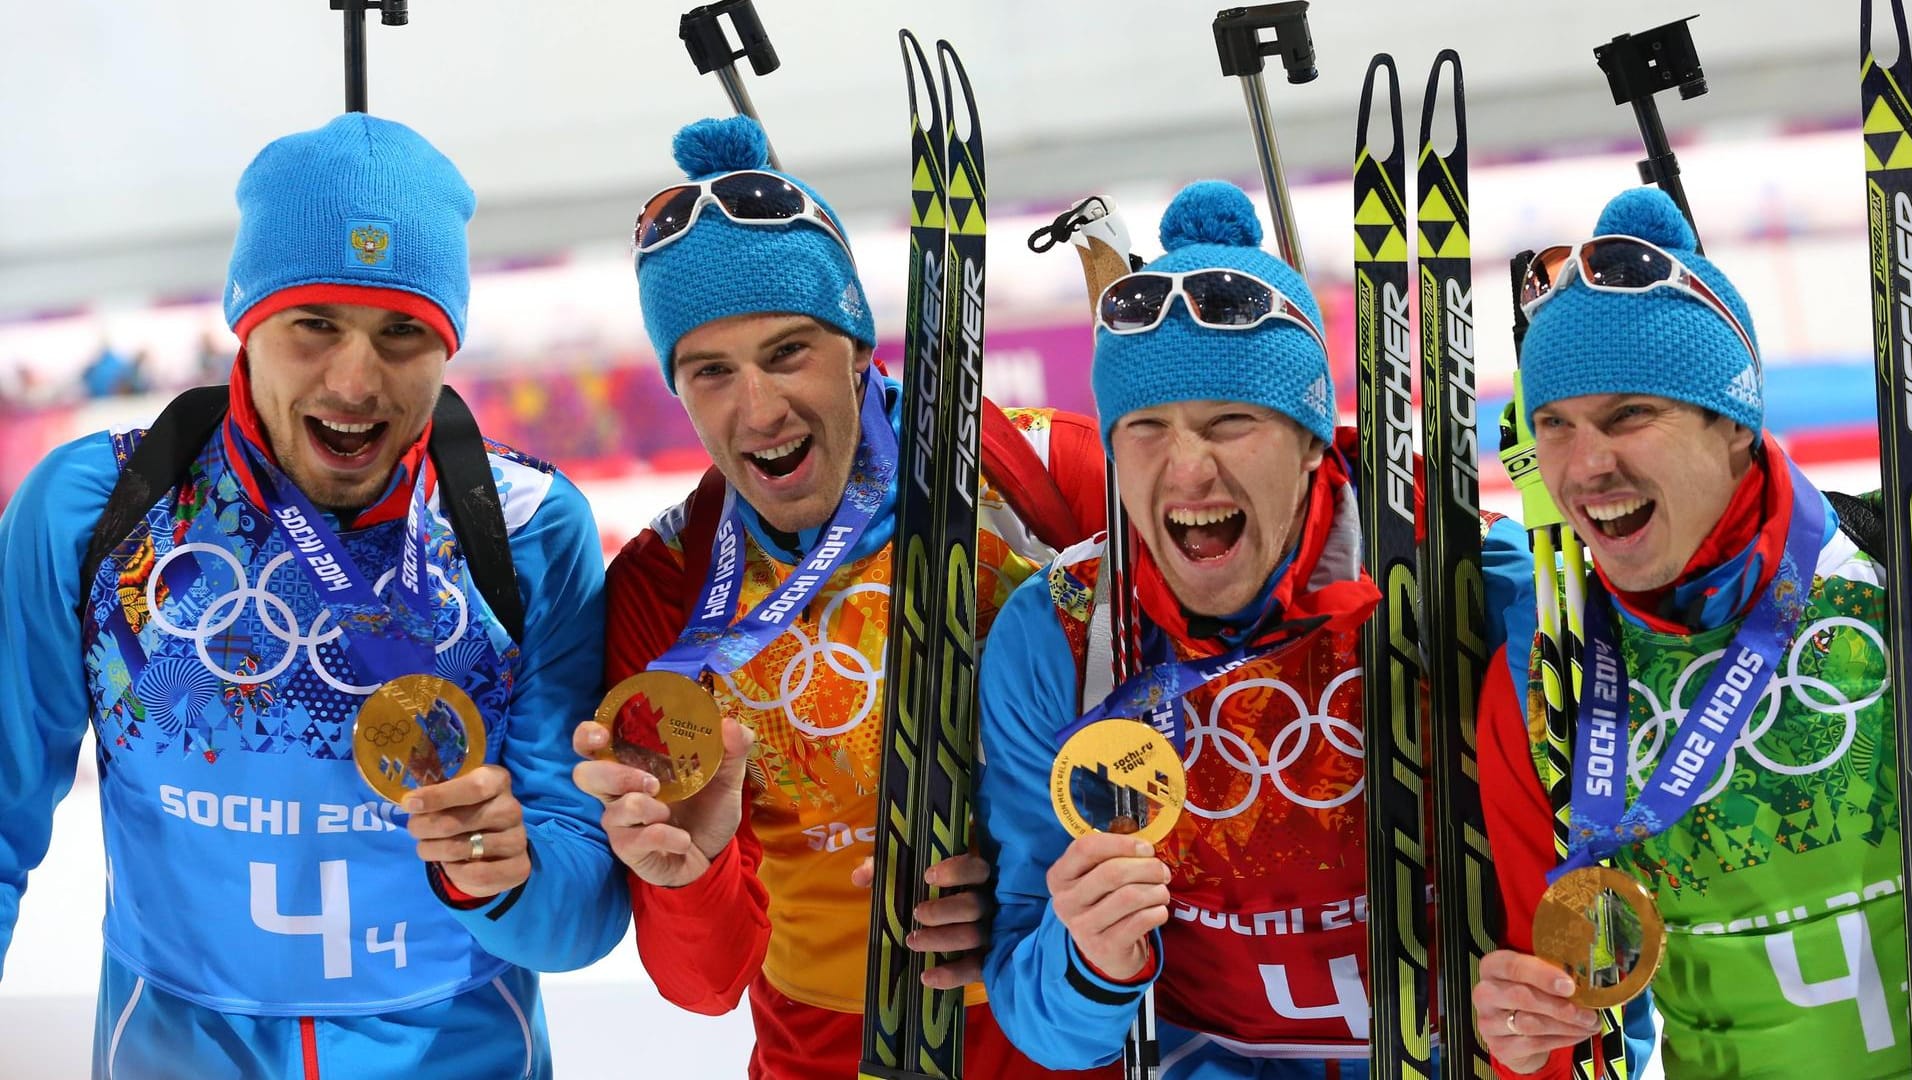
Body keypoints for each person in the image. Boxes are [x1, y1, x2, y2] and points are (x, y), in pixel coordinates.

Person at [0, 113, 630, 1079]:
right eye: (315, 325)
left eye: (403, 333)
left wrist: (513, 879)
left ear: (450, 344)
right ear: (246, 325)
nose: (355, 379)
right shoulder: (94, 511)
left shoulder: (529, 527)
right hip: (176, 1049)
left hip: (460, 1054)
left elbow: (581, 911)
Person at [571, 115, 1111, 1079]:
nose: (761, 410)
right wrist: (690, 878)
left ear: (858, 347)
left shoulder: (1041, 470)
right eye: (711, 372)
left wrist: (1032, 878)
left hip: (1068, 1026)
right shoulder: (664, 591)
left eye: (789, 353)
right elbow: (702, 986)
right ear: (679, 390)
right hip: (827, 1051)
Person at [973, 180, 1529, 1077]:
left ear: (1315, 439)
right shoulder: (1060, 634)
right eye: (1145, 428)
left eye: (1232, 422)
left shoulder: (1464, 580)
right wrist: (1088, 965)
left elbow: (1586, 902)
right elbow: (1042, 1023)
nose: (1188, 468)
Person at [1470, 187, 1905, 1079]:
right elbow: (1558, 1031)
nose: (1587, 465)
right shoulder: (1544, 683)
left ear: (1734, 423)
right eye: (1556, 424)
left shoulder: (1886, 572)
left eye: (1631, 413)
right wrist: (1519, 1036)